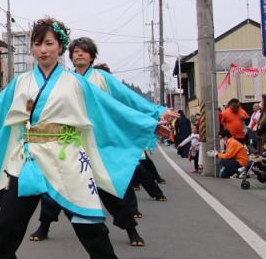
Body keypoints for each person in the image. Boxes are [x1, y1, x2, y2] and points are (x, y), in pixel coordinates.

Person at [0, 18, 165, 259]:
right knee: (9, 221)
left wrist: (152, 119)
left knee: (89, 222)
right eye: (37, 44)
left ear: (60, 47)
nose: (43, 49)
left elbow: (112, 107)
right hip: (29, 158)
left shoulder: (76, 82)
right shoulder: (21, 82)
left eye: (49, 43)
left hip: (66, 157)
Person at [28, 38, 169, 246]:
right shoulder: (64, 80)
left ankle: (130, 229)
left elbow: (127, 98)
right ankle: (44, 225)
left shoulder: (102, 78)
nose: (79, 54)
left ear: (92, 56)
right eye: (76, 51)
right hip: (72, 142)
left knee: (108, 187)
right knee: (55, 184)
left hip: (99, 141)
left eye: (84, 51)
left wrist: (156, 112)